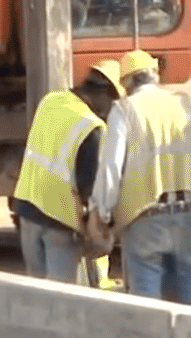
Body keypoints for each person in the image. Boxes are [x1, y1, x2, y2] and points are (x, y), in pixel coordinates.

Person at [87, 48, 191, 307]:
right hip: (188, 210)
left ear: (126, 83)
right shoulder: (184, 103)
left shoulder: (124, 110)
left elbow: (111, 165)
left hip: (144, 214)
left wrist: (102, 211)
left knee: (146, 287)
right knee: (190, 279)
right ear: (155, 74)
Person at [11, 59, 127, 284]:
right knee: (61, 297)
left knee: (36, 290)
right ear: (107, 95)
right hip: (59, 220)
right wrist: (101, 229)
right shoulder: (91, 127)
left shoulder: (51, 101)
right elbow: (90, 188)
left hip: (26, 208)